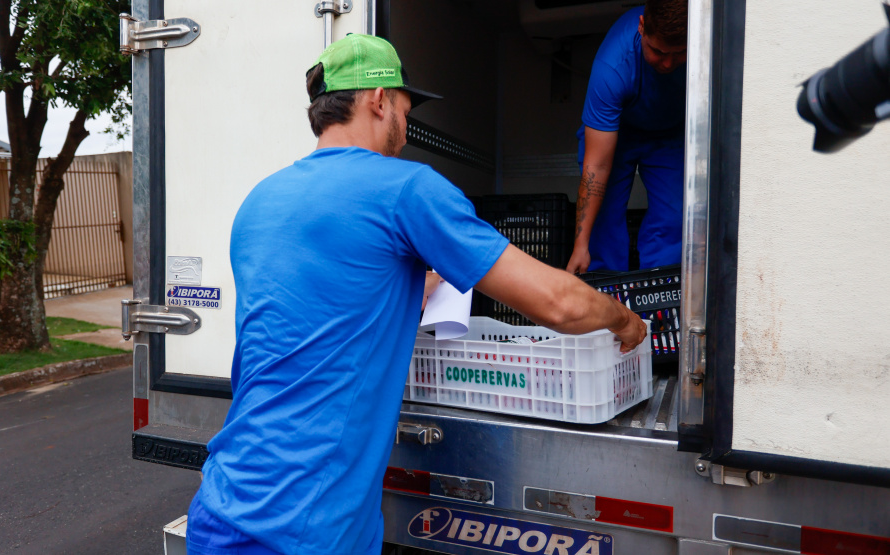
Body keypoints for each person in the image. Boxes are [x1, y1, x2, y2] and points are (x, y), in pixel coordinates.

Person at [185, 34, 647, 555]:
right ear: (379, 99)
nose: (407, 127)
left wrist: (429, 282)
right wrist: (624, 321)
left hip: (220, 508)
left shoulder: (260, 201)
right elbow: (557, 303)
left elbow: (341, 292)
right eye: (406, 107)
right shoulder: (405, 189)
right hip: (307, 530)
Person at [566, 0, 688, 274]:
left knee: (674, 221)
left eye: (678, 54)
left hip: (670, 136)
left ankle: (660, 306)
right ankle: (604, 303)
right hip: (616, 135)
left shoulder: (704, 54)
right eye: (657, 51)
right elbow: (596, 166)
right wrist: (580, 245)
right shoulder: (612, 67)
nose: (667, 63)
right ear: (642, 27)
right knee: (603, 223)